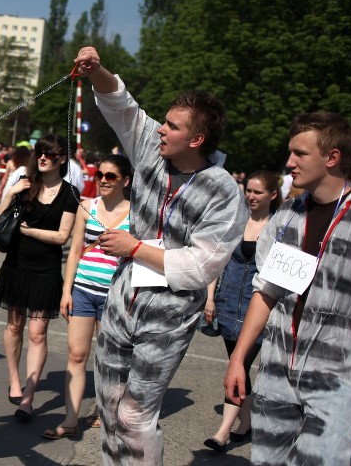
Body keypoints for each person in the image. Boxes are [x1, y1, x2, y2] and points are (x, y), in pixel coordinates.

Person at [74, 46, 247, 464]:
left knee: (135, 414)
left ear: (197, 139)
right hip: (122, 301)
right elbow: (122, 107)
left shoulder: (223, 191)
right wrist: (97, 70)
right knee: (111, 409)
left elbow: (200, 265)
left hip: (168, 316)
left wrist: (135, 248)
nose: (160, 130)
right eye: (164, 122)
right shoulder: (151, 150)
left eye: (171, 126)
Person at [222, 112, 351, 466]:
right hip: (276, 375)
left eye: (300, 153)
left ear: (332, 158)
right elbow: (265, 292)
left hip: (339, 382)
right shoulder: (286, 217)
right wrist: (238, 359)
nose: (289, 162)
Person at [42, 154, 132, 439]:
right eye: (100, 176)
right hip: (82, 290)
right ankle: (70, 419)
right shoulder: (86, 206)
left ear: (125, 181)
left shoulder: (136, 212)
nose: (103, 181)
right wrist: (66, 291)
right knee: (76, 354)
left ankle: (104, 411)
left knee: (108, 359)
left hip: (114, 295)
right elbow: (76, 251)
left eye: (111, 177)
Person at [0, 134, 79, 423]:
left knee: (37, 333)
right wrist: (10, 192)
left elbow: (62, 237)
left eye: (50, 154)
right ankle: (15, 380)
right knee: (14, 326)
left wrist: (31, 232)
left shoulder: (70, 193)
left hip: (45, 271)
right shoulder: (25, 185)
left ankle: (28, 398)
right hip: (16, 265)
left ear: (62, 160)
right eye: (40, 152)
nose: (43, 157)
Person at [202, 170, 280, 451]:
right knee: (240, 366)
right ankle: (246, 423)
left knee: (241, 363)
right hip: (226, 304)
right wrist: (209, 298)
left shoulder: (279, 228)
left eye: (258, 192)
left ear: (273, 194)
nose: (251, 196)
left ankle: (222, 432)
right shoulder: (236, 221)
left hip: (257, 308)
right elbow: (217, 261)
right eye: (249, 190)